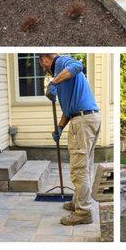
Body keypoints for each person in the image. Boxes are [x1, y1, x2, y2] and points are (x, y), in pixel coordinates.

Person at [39, 53, 100, 226]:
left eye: (43, 67)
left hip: (83, 121)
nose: (46, 71)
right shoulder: (64, 77)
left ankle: (83, 212)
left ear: (44, 60)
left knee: (79, 169)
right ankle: (78, 202)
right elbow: (69, 109)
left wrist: (53, 82)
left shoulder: (62, 62)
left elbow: (78, 65)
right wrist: (60, 127)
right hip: (86, 118)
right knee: (85, 165)